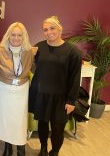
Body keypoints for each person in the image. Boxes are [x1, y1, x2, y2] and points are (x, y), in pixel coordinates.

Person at [29, 16, 82, 156]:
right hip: (41, 95)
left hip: (61, 98)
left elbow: (75, 77)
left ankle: (55, 152)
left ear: (60, 28)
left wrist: (71, 101)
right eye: (45, 29)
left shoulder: (73, 52)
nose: (49, 32)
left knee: (58, 129)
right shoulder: (39, 47)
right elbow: (33, 69)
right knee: (42, 125)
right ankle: (43, 149)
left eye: (52, 28)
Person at [0, 22, 36, 156]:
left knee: (19, 120)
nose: (16, 38)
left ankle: (20, 149)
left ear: (24, 36)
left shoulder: (30, 51)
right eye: (13, 34)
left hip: (21, 90)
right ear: (8, 35)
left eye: (19, 35)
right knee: (6, 119)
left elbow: (35, 68)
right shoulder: (0, 50)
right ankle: (7, 148)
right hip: (4, 89)